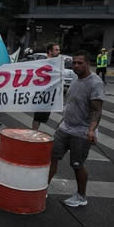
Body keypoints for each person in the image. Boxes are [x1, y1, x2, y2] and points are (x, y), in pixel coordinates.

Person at [48, 50, 104, 207]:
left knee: (77, 165)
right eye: (74, 62)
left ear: (88, 64)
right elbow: (72, 104)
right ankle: (42, 188)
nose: (76, 65)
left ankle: (81, 196)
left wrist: (92, 130)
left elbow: (97, 110)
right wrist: (61, 122)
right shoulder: (74, 78)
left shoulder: (95, 83)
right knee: (51, 157)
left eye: (80, 62)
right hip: (65, 128)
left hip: (82, 132)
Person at [32, 43, 60, 130]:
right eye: (56, 50)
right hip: (43, 94)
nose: (59, 51)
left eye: (58, 49)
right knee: (38, 117)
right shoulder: (45, 63)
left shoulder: (56, 63)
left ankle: (34, 133)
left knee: (42, 117)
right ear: (50, 51)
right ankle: (33, 133)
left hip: (50, 95)